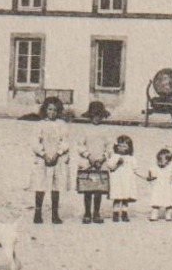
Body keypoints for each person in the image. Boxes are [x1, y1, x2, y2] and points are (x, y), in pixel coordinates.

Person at [29, 96, 71, 225]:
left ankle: (55, 214)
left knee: (56, 185)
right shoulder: (40, 124)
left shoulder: (62, 124)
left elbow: (65, 141)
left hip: (57, 158)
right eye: (49, 109)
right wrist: (44, 154)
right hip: (42, 158)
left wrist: (58, 154)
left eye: (55, 110)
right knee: (40, 184)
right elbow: (35, 142)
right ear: (45, 110)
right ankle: (37, 213)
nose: (52, 113)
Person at [75, 129, 112, 225]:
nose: (97, 118)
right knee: (87, 189)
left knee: (98, 190)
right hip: (88, 163)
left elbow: (109, 147)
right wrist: (89, 156)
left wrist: (103, 158)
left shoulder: (105, 131)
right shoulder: (84, 130)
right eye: (94, 116)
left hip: (100, 164)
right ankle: (87, 213)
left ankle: (96, 213)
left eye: (99, 116)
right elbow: (80, 146)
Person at [104, 135, 138, 223]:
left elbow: (135, 169)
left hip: (127, 181)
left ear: (129, 147)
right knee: (117, 197)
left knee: (125, 198)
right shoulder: (115, 156)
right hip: (117, 181)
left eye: (124, 146)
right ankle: (115, 213)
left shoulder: (131, 158)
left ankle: (124, 213)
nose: (122, 148)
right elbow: (110, 166)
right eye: (120, 146)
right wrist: (118, 163)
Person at [145, 148, 172, 222]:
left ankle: (168, 215)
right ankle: (154, 215)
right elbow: (151, 175)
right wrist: (150, 177)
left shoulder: (171, 168)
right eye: (159, 159)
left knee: (169, 201)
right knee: (156, 201)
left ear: (169, 161)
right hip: (158, 188)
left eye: (164, 160)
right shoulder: (155, 167)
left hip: (168, 187)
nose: (161, 161)